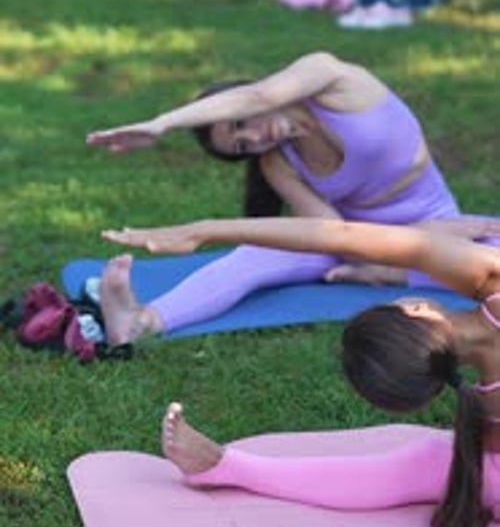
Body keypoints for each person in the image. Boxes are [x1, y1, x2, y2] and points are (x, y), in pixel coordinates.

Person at [124, 216, 500, 527]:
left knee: (440, 463)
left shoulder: (486, 414)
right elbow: (344, 235)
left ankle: (229, 465)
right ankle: (228, 466)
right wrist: (205, 230)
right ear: (416, 309)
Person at [87, 51, 477, 343]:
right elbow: (336, 234)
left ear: (242, 101)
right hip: (355, 239)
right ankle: (142, 321)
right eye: (242, 146)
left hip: (434, 220)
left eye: (241, 124)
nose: (254, 139)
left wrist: (162, 124)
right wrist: (384, 253)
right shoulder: (277, 162)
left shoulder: (333, 78)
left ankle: (391, 272)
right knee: (254, 255)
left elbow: (260, 94)